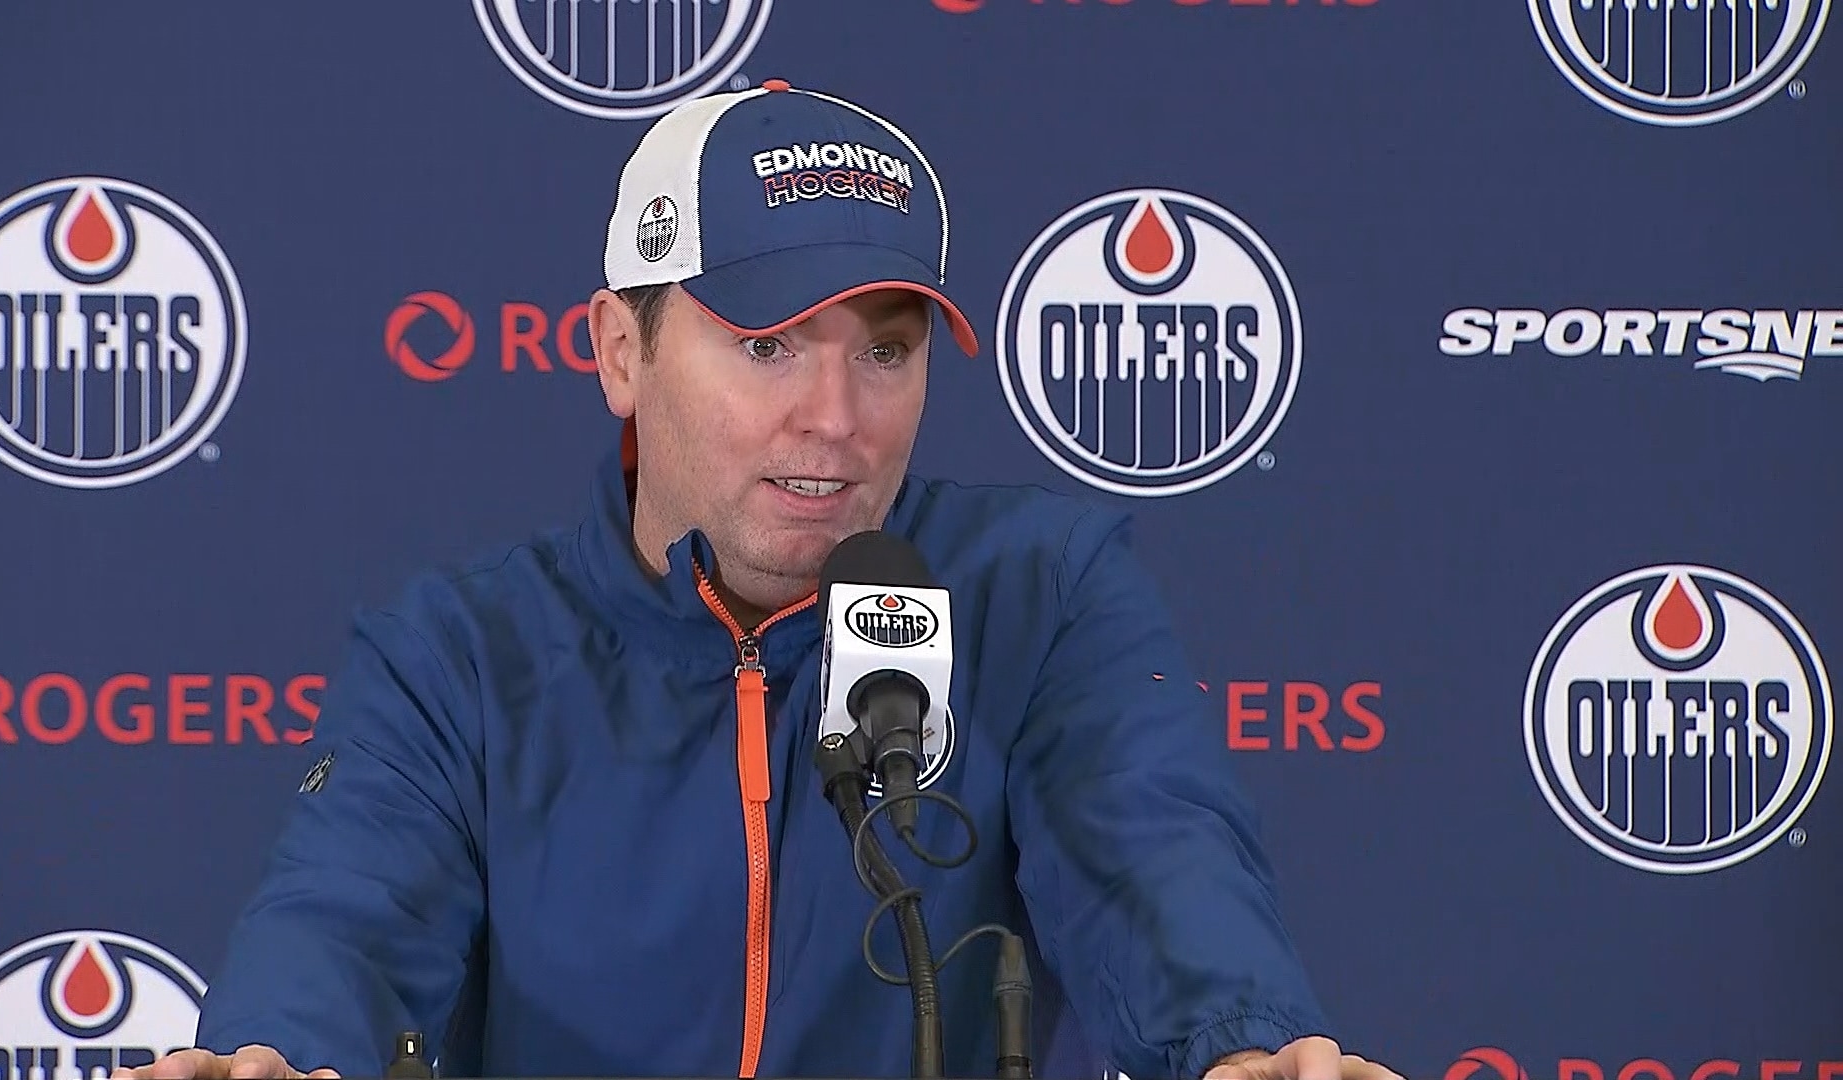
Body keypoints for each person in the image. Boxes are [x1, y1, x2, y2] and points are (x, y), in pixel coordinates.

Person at [115, 81, 1404, 1080]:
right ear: (624, 351)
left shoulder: (1040, 594)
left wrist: (1243, 1042)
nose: (834, 419)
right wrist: (277, 1050)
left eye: (885, 354)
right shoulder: (459, 655)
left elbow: (1160, 858)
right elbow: (343, 916)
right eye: (771, 344)